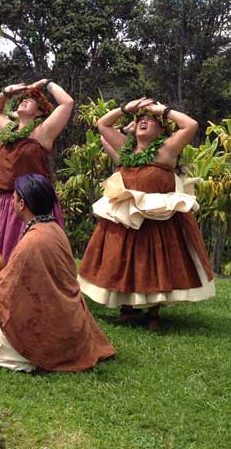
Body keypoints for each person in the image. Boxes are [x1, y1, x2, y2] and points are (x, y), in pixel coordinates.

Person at [0, 174, 116, 372]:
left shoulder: (33, 242)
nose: (12, 202)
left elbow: (5, 296)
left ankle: (32, 360)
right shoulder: (54, 229)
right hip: (70, 325)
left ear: (22, 204)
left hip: (50, 333)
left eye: (13, 198)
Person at [78, 98, 215, 330]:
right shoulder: (126, 148)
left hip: (157, 217)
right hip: (125, 215)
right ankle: (127, 309)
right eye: (139, 119)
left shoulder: (167, 150)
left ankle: (153, 312)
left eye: (149, 120)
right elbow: (102, 125)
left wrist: (163, 111)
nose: (143, 121)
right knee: (122, 259)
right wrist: (126, 109)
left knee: (155, 263)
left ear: (161, 130)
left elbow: (190, 125)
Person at [0, 79, 73, 262]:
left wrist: (46, 84)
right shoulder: (6, 131)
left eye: (31, 99)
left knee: (29, 258)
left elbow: (67, 103)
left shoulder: (42, 132)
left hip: (32, 204)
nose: (24, 100)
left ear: (39, 112)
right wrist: (6, 92)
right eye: (22, 99)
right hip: (3, 203)